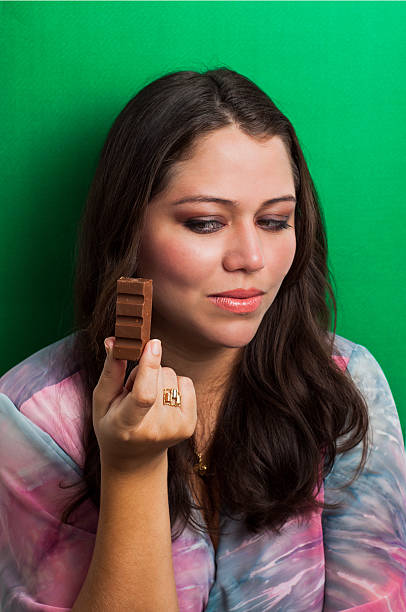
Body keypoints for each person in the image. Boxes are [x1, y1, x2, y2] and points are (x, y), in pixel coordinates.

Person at [0, 67, 405, 612]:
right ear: (129, 231)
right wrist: (133, 471)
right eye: (206, 222)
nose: (251, 259)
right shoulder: (31, 418)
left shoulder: (345, 380)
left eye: (275, 220)